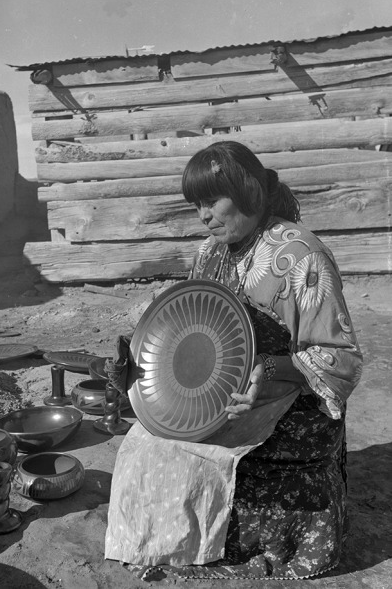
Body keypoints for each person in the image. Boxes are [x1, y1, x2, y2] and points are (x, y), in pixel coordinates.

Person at [105, 141, 363, 580]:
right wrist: (137, 367)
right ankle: (170, 545)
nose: (204, 216)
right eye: (197, 206)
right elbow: (189, 331)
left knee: (193, 451)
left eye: (211, 202)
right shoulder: (209, 253)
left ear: (248, 192)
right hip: (223, 396)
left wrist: (270, 368)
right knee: (146, 443)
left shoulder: (299, 256)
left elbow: (341, 359)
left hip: (290, 400)